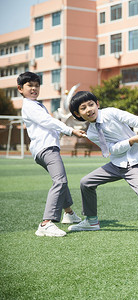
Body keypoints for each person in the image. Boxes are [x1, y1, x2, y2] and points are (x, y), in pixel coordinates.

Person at [68, 91, 138, 243]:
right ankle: (91, 221)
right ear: (78, 114)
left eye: (91, 104)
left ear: (97, 104)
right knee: (86, 182)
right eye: (83, 108)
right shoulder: (92, 132)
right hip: (116, 164)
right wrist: (131, 141)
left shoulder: (111, 113)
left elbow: (136, 120)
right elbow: (111, 150)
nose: (89, 109)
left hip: (134, 162)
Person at [18, 71, 84, 237]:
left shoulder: (37, 105)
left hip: (46, 148)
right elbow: (47, 121)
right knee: (60, 181)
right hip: (46, 149)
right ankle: (46, 223)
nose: (34, 89)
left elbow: (47, 126)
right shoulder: (30, 106)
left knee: (60, 180)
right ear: (20, 89)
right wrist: (70, 130)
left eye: (36, 86)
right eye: (29, 86)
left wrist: (60, 133)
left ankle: (68, 213)